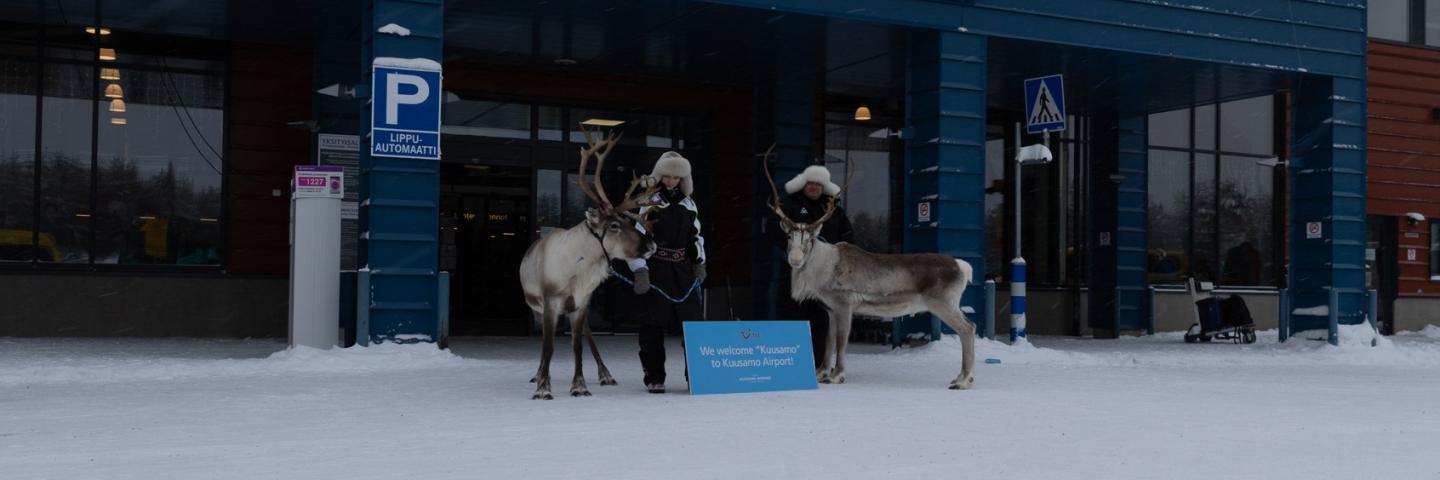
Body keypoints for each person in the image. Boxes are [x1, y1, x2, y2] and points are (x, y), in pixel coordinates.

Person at [627, 151, 706, 394]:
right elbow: (636, 239)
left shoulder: (688, 203)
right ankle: (654, 376)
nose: (671, 181)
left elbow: (696, 236)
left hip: (683, 271)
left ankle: (696, 375)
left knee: (693, 327)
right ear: (660, 176)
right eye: (667, 176)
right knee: (652, 325)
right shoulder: (648, 201)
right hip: (657, 269)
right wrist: (640, 270)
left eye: (676, 177)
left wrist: (700, 262)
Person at [765, 164, 853, 369]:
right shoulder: (788, 205)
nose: (814, 188)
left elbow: (848, 236)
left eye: (818, 184)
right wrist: (788, 250)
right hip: (795, 272)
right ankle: (790, 361)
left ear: (824, 187)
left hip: (826, 277)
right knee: (792, 314)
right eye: (810, 183)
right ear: (804, 185)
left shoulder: (833, 210)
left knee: (822, 317)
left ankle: (819, 362)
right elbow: (771, 230)